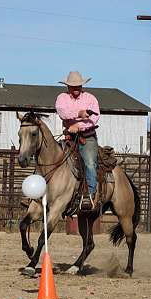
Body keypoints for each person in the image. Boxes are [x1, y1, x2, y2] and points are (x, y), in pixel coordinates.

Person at [55, 71, 100, 209]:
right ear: (67, 86)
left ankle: (90, 195)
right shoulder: (62, 98)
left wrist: (77, 126)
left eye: (78, 86)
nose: (75, 89)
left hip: (87, 137)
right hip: (70, 137)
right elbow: (62, 112)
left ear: (81, 86)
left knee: (90, 163)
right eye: (73, 86)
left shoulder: (90, 99)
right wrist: (80, 114)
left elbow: (94, 117)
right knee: (52, 159)